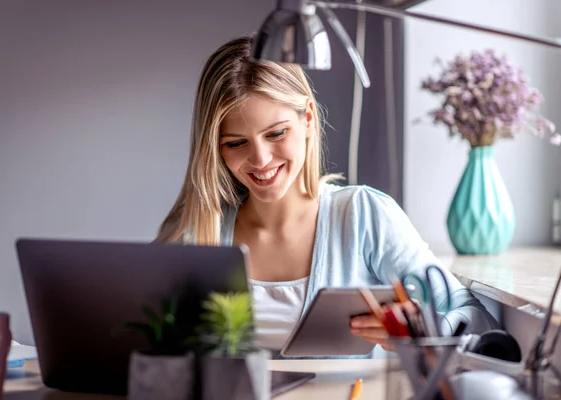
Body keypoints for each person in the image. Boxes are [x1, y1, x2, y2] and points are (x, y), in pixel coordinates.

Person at [156, 36, 498, 356]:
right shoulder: (195, 233)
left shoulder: (363, 216)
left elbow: (479, 322)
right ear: (214, 147)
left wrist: (425, 332)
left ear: (306, 119)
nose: (260, 160)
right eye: (236, 143)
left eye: (276, 133)